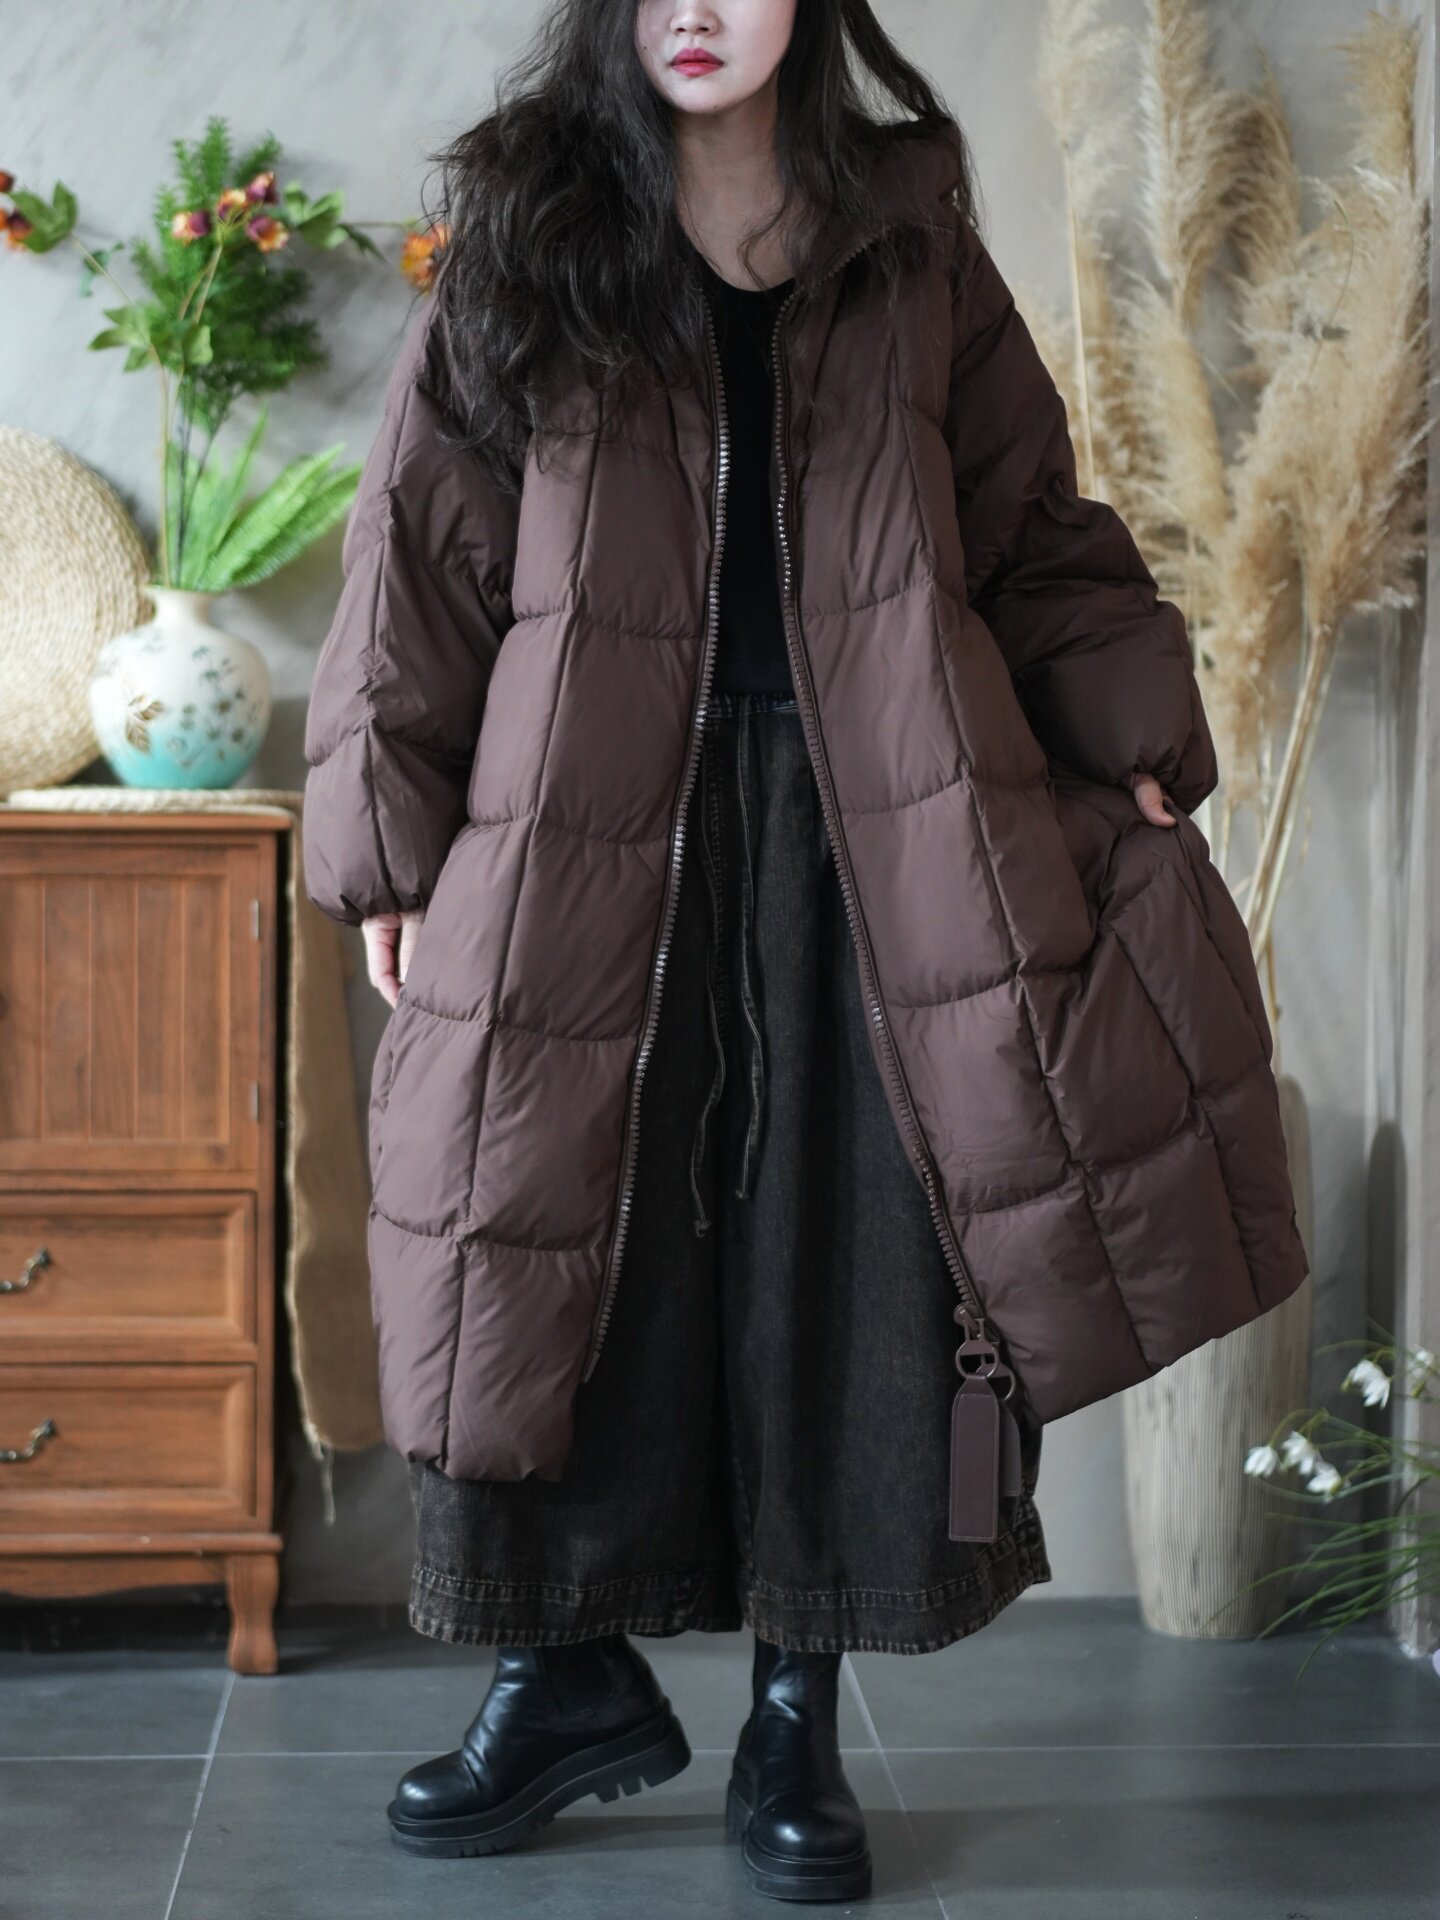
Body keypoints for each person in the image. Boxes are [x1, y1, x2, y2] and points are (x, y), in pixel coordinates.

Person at [300, 0, 1307, 1903]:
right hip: (579, 825)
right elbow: (420, 546)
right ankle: (560, 1673)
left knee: (846, 1259)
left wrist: (1131, 731)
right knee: (550, 1235)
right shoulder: (529, 229)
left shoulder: (910, 234)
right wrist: (387, 848)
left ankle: (794, 1712)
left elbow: (1026, 523)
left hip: (884, 829)